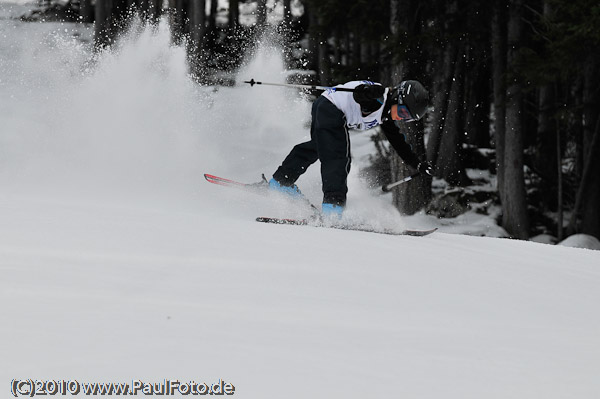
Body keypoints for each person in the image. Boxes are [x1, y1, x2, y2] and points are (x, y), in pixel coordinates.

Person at [269, 79, 432, 217]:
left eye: (407, 118)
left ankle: (281, 181)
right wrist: (366, 92)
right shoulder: (379, 97)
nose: (401, 118)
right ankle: (333, 208)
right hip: (331, 109)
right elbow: (360, 96)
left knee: (317, 148)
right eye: (403, 112)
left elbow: (398, 142)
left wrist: (416, 163)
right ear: (397, 97)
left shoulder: (386, 113)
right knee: (338, 157)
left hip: (323, 106)